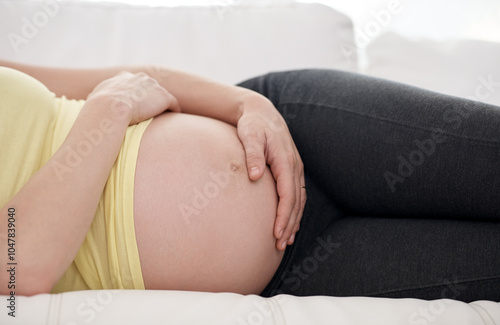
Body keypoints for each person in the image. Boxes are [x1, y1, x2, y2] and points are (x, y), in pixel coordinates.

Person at [0, 61, 498, 303]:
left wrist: (248, 105)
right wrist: (109, 111)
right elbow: (21, 265)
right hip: (292, 274)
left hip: (298, 128)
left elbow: (130, 78)